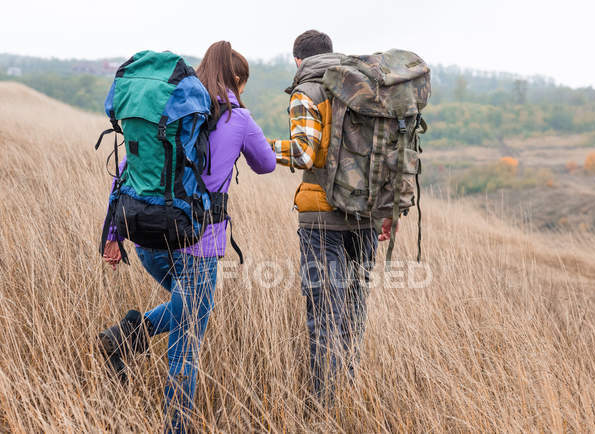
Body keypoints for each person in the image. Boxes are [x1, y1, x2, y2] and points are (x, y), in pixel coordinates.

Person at [99, 41, 276, 432]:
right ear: (236, 80)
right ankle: (173, 422)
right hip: (198, 244)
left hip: (149, 239)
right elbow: (265, 164)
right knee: (189, 333)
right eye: (242, 83)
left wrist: (113, 234)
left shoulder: (173, 111)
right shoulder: (239, 118)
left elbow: (127, 171)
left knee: (192, 311)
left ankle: (129, 336)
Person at [268, 30, 396, 401]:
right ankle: (348, 394)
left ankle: (323, 405)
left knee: (324, 314)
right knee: (354, 312)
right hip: (368, 215)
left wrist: (261, 147)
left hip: (322, 217)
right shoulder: (363, 89)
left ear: (297, 60)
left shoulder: (306, 91)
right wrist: (388, 209)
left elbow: (304, 154)